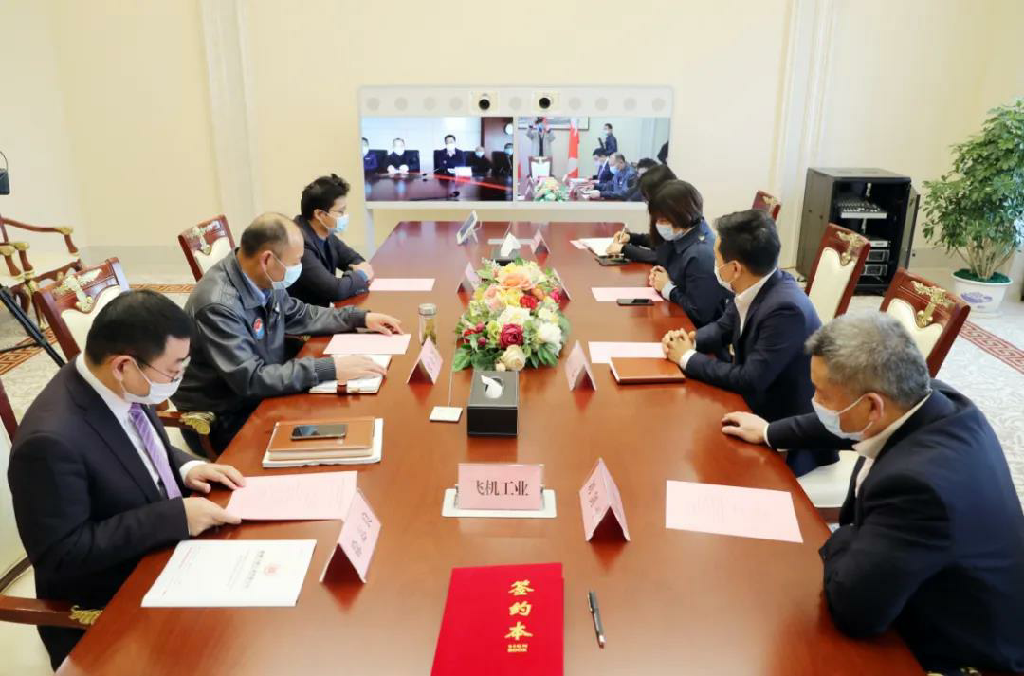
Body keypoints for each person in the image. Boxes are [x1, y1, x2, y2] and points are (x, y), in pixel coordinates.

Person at [720, 313, 1024, 674]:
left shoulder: (917, 490)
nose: (815, 401)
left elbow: (854, 611)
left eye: (822, 394)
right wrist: (771, 432)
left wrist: (843, 534)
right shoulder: (930, 398)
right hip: (928, 585)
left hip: (959, 652)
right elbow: (842, 422)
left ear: (872, 406)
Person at [8, 290, 246, 669]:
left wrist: (186, 467)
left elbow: (139, 448)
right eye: (173, 371)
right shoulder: (50, 443)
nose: (178, 379)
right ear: (123, 365)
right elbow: (63, 554)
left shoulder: (114, 386)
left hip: (166, 556)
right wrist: (175, 516)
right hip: (113, 598)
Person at [172, 212, 401, 455]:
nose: (298, 268)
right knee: (333, 438)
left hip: (262, 391)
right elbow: (251, 379)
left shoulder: (260, 277)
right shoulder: (218, 306)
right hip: (225, 418)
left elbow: (299, 314)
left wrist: (358, 318)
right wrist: (330, 368)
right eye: (295, 262)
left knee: (348, 412)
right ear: (267, 259)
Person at [662, 209, 826, 475]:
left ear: (735, 268)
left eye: (716, 259)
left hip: (782, 431)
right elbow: (724, 326)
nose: (714, 265)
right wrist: (691, 341)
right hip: (752, 405)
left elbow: (751, 379)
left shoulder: (786, 309)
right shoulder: (759, 284)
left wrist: (686, 358)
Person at [638, 181, 730, 328]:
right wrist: (663, 275)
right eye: (657, 219)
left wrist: (668, 288)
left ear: (682, 215)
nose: (659, 225)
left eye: (664, 220)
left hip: (698, 332)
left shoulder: (700, 254)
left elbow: (701, 315)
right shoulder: (682, 235)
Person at [290, 174, 374, 306]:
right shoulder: (298, 243)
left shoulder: (326, 234)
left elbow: (356, 260)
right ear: (320, 214)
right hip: (303, 317)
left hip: (322, 313)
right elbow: (336, 291)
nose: (344, 216)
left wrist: (350, 279)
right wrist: (360, 276)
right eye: (340, 211)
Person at [606, 164, 678, 263]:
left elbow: (664, 257)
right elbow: (660, 242)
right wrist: (632, 237)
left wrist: (624, 249)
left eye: (649, 198)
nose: (648, 203)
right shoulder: (665, 210)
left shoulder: (677, 214)